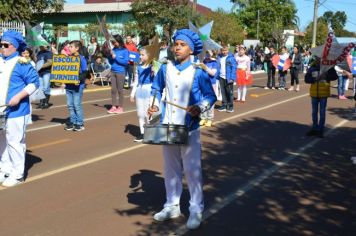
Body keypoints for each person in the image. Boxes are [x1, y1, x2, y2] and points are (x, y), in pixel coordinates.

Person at [147, 29, 216, 230]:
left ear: (191, 49)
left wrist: (199, 108)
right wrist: (155, 106)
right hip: (168, 126)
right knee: (170, 169)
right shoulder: (165, 68)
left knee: (193, 171)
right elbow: (156, 89)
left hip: (190, 128)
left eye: (182, 44)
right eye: (176, 43)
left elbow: (210, 96)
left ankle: (196, 209)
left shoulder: (198, 70)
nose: (177, 47)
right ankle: (172, 205)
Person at [0, 30, 39, 187]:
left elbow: (34, 83)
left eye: (6, 45)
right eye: (1, 44)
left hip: (17, 110)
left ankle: (17, 174)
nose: (2, 47)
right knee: (2, 140)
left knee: (14, 141)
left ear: (14, 47)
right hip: (1, 109)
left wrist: (19, 96)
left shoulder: (23, 63)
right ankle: (4, 169)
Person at [304, 56, 338, 138]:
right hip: (314, 93)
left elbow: (335, 76)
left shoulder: (328, 67)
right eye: (316, 58)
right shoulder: (312, 67)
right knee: (314, 113)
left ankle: (320, 130)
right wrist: (314, 79)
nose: (318, 59)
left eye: (319, 58)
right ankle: (314, 128)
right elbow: (306, 79)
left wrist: (326, 76)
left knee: (322, 113)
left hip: (324, 93)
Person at [130, 48, 154, 142]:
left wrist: (154, 70)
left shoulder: (152, 66)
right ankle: (142, 133)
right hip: (140, 90)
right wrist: (132, 94)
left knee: (148, 113)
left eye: (143, 55)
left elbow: (157, 80)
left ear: (148, 56)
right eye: (140, 54)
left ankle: (151, 132)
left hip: (149, 89)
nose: (140, 56)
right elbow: (136, 81)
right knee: (140, 113)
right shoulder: (138, 67)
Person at [63, 40, 88, 132]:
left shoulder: (81, 58)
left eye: (71, 47)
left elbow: (85, 72)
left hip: (78, 86)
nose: (69, 48)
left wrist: (79, 79)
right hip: (68, 85)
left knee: (76, 105)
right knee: (70, 105)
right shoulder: (68, 58)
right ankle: (73, 121)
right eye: (69, 47)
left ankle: (80, 123)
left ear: (77, 48)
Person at [107, 34, 129, 114]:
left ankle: (120, 107)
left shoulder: (125, 51)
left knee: (120, 90)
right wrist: (110, 56)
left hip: (120, 72)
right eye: (113, 42)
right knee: (113, 90)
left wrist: (116, 57)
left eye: (115, 42)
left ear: (119, 41)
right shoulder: (113, 49)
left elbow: (125, 62)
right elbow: (111, 61)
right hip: (113, 71)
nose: (114, 43)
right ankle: (113, 106)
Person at [199, 50, 219, 127]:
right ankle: (203, 117)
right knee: (202, 101)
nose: (207, 54)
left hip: (211, 84)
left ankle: (209, 119)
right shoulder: (203, 61)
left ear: (212, 53)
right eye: (206, 52)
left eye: (209, 53)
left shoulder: (214, 62)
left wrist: (205, 68)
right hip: (203, 83)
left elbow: (213, 73)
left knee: (210, 102)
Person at [217, 45, 237, 112]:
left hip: (228, 78)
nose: (224, 52)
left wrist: (232, 78)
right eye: (223, 50)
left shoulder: (231, 58)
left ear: (228, 50)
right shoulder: (219, 57)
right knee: (223, 92)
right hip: (221, 77)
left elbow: (234, 68)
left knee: (229, 93)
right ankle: (224, 105)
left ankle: (231, 106)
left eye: (225, 50)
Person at [36, 42, 53, 109]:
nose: (41, 46)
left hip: (47, 72)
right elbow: (37, 61)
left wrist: (40, 66)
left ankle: (46, 103)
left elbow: (50, 62)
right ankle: (41, 102)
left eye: (43, 45)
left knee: (46, 87)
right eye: (41, 45)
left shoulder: (49, 53)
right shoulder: (39, 53)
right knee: (40, 88)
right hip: (40, 72)